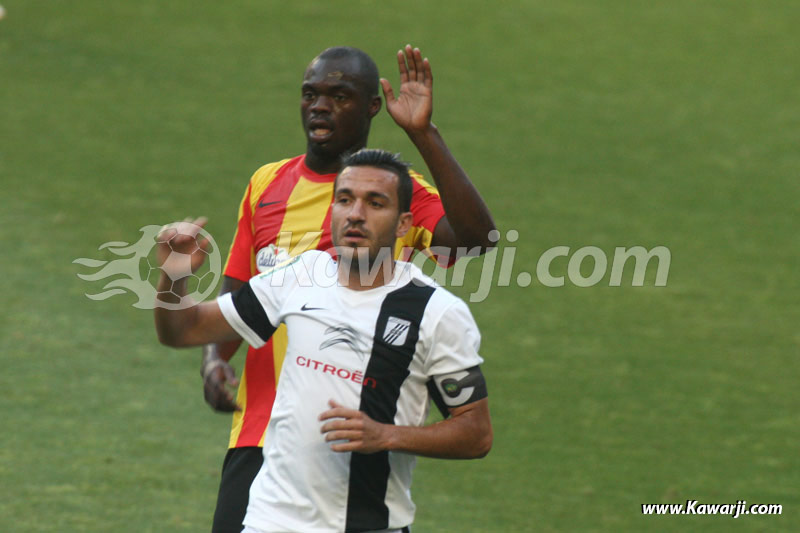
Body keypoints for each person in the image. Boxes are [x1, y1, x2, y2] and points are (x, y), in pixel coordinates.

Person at [203, 45, 496, 532]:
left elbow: (475, 241)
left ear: (371, 108)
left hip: (350, 434)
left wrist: (423, 133)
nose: (320, 106)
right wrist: (215, 359)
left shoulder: (402, 194)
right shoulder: (267, 183)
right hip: (259, 431)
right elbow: (238, 288)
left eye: (339, 96)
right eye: (311, 94)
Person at [156, 149, 493, 533]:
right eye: (345, 199)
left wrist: (386, 435)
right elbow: (184, 330)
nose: (355, 214)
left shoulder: (436, 313)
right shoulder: (301, 275)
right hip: (270, 520)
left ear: (403, 225)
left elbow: (476, 433)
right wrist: (173, 276)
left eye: (375, 203)